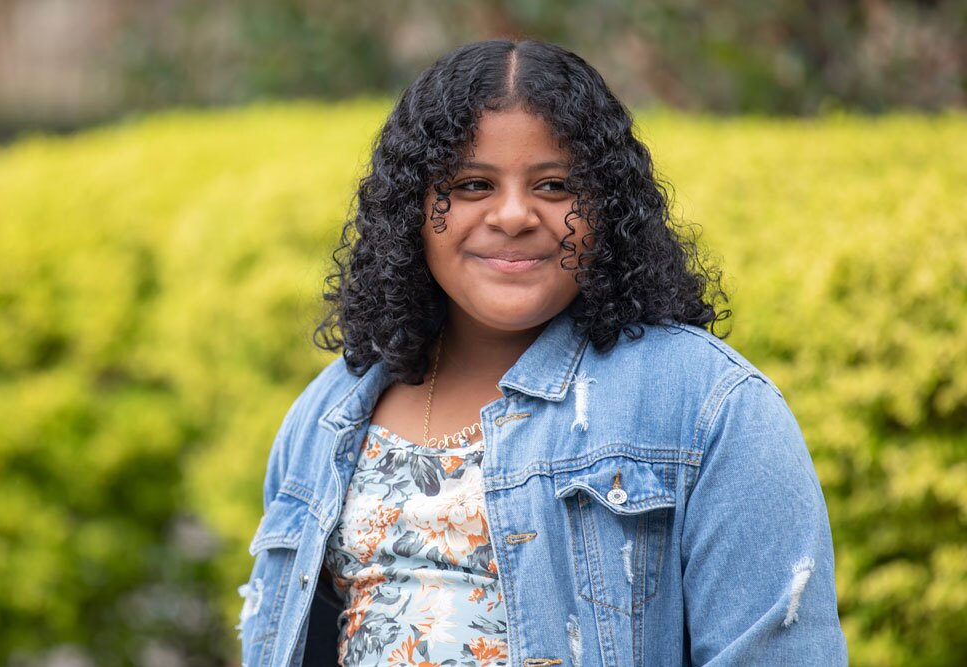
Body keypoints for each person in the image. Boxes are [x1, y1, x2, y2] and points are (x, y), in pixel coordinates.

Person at [237, 39, 848, 667]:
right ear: (411, 209)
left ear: (608, 208)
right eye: (472, 185)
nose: (513, 215)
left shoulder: (711, 408)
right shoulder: (327, 415)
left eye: (555, 186)